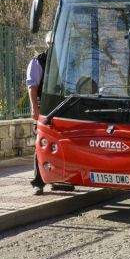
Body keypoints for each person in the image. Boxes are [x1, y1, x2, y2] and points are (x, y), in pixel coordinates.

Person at [27, 32, 74, 195]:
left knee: (63, 143)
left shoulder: (66, 61)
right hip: (45, 108)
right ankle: (38, 182)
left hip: (63, 108)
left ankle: (60, 178)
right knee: (42, 143)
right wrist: (34, 108)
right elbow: (32, 88)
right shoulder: (38, 61)